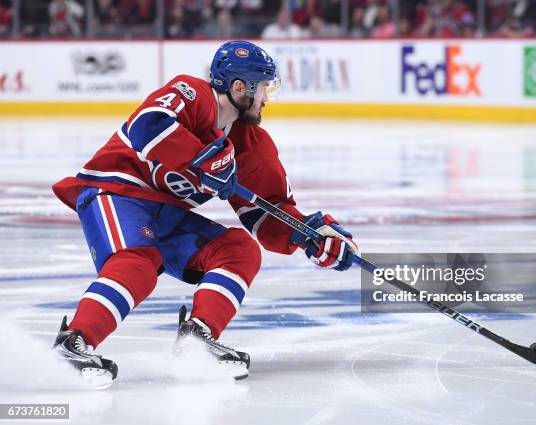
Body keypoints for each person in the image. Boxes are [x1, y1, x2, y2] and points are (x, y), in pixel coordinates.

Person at [51, 40, 358, 388]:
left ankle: (198, 339)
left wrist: (309, 236)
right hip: (117, 192)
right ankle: (74, 342)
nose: (267, 99)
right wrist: (198, 157)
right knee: (138, 262)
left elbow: (268, 215)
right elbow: (146, 125)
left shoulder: (251, 145)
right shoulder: (193, 94)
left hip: (167, 216)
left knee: (238, 250)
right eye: (264, 88)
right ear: (240, 88)